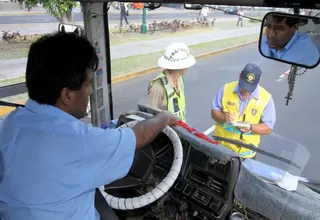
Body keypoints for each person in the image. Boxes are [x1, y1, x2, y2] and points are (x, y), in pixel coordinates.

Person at [0, 32, 177, 220]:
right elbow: (139, 135)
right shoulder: (79, 142)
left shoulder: (9, 123)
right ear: (67, 95)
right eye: (87, 84)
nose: (91, 91)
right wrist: (164, 117)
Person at [211, 63, 276, 159]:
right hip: (221, 148)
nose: (246, 90)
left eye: (250, 87)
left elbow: (268, 128)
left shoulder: (266, 99)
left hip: (246, 154)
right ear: (240, 75)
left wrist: (250, 127)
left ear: (258, 82)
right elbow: (214, 112)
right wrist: (224, 117)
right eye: (244, 85)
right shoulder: (226, 89)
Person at [147, 42, 196, 123]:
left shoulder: (180, 79)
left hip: (179, 131)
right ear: (179, 66)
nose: (188, 67)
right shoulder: (158, 87)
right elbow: (150, 118)